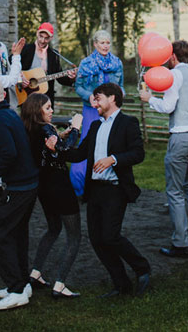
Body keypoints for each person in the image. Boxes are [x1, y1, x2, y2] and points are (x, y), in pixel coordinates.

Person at [61, 82, 151, 298]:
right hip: (95, 191)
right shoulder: (95, 126)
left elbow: (138, 153)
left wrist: (113, 159)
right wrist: (57, 148)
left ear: (112, 98)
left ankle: (142, 267)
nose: (95, 102)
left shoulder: (128, 123)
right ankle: (121, 285)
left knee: (110, 236)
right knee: (97, 240)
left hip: (115, 189)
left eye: (98, 97)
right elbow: (80, 154)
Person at [140, 39, 188, 258]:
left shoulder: (174, 76)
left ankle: (181, 244)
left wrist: (150, 99)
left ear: (173, 57)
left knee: (175, 190)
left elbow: (168, 107)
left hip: (182, 136)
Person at [0, 78, 39, 311]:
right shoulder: (11, 113)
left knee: (0, 235)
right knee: (18, 234)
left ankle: (16, 289)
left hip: (20, 187)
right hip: (29, 183)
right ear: (3, 96)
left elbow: (8, 153)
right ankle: (23, 284)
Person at [20, 93, 83, 299]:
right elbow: (63, 150)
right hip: (60, 186)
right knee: (74, 236)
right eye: (48, 108)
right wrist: (75, 128)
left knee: (53, 228)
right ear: (38, 110)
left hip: (43, 187)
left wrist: (60, 136)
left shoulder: (30, 129)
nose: (52, 111)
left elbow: (50, 148)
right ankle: (60, 284)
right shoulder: (46, 128)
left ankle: (35, 273)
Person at [70, 29, 124, 197]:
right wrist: (91, 97)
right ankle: (82, 185)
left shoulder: (117, 63)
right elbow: (78, 87)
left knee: (112, 143)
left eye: (108, 42)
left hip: (112, 110)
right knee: (89, 144)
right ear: (95, 44)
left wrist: (119, 96)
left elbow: (121, 85)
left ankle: (111, 182)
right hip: (92, 110)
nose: (105, 46)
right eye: (102, 42)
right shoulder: (86, 63)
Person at [20, 22, 76, 108]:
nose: (42, 41)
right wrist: (20, 78)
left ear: (51, 38)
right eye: (41, 36)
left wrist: (72, 78)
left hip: (46, 99)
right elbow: (11, 65)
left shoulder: (53, 55)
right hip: (27, 97)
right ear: (37, 33)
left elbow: (60, 78)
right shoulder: (25, 49)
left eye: (46, 38)